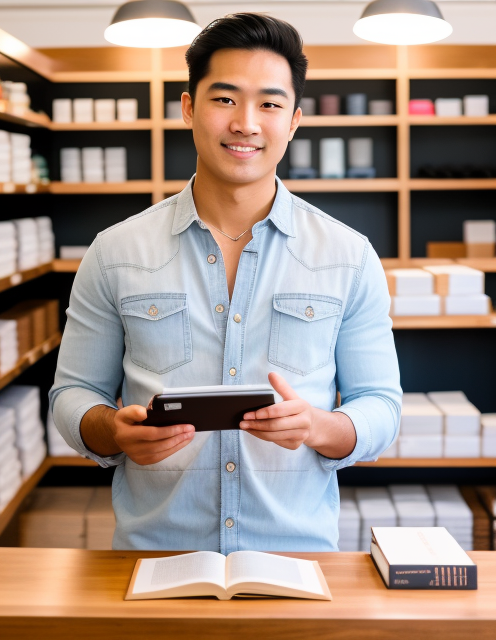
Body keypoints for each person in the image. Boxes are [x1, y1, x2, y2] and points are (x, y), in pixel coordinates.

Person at [49, 13, 401, 552]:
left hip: (298, 558)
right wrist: (112, 431)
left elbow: (380, 405)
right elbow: (72, 396)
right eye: (224, 99)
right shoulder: (115, 251)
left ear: (294, 120)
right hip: (152, 557)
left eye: (270, 103)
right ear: (189, 107)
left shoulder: (347, 255)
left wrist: (316, 427)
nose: (246, 123)